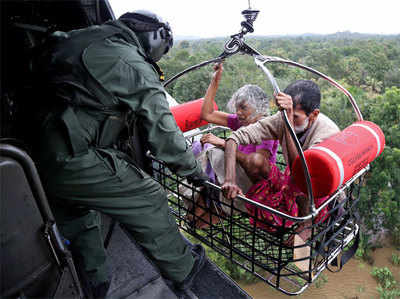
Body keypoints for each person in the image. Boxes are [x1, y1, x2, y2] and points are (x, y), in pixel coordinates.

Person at [34, 10, 207, 297]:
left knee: (79, 212)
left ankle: (95, 279)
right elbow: (164, 134)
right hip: (70, 155)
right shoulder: (131, 62)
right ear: (155, 37)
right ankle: (186, 270)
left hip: (35, 149)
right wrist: (194, 173)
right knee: (148, 197)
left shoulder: (81, 38)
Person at [222, 80, 340, 235]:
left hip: (318, 188)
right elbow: (234, 139)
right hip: (293, 179)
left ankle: (307, 223)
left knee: (306, 184)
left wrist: (288, 124)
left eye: (295, 116)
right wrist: (230, 180)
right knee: (255, 162)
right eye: (284, 114)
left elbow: (302, 173)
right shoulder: (282, 118)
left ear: (314, 115)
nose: (287, 118)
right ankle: (278, 215)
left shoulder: (327, 133)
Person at [186, 63, 279, 228]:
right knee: (192, 218)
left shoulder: (266, 130)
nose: (239, 113)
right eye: (237, 108)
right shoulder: (241, 122)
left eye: (243, 108)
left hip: (247, 184)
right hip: (224, 177)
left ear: (258, 107)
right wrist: (215, 80)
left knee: (201, 221)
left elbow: (255, 165)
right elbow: (207, 114)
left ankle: (213, 204)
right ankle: (205, 196)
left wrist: (223, 144)